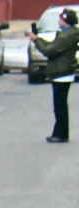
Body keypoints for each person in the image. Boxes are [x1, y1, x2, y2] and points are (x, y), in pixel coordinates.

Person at [27, 8, 79, 143]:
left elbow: (49, 50)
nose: (59, 21)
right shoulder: (67, 34)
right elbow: (52, 46)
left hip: (61, 73)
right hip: (63, 73)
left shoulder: (66, 36)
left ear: (66, 21)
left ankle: (61, 133)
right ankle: (60, 132)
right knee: (60, 105)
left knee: (60, 106)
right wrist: (39, 38)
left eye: (61, 19)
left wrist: (36, 40)